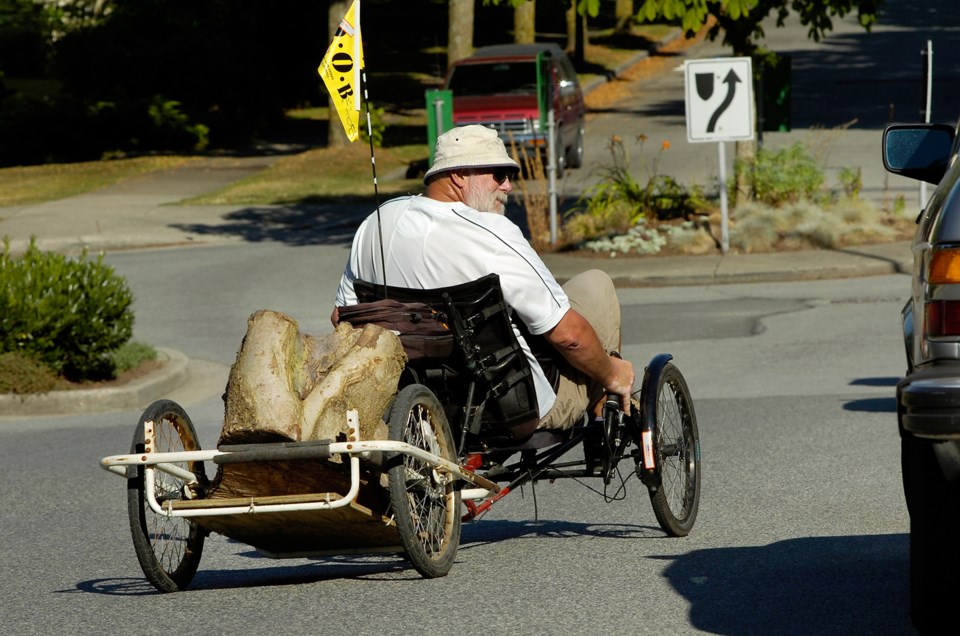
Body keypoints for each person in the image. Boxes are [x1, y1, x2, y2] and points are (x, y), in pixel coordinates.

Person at [333, 124, 634, 430]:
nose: (508, 187)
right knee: (596, 283)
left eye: (510, 176)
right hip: (510, 410)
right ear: (459, 174)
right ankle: (605, 402)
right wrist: (613, 372)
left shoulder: (375, 223)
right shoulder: (492, 233)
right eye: (498, 175)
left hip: (416, 408)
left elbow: (340, 319)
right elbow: (569, 337)